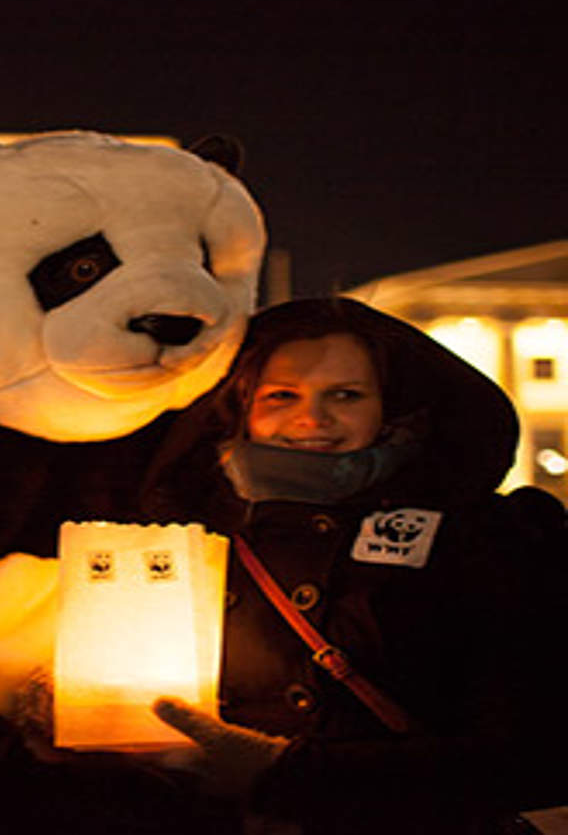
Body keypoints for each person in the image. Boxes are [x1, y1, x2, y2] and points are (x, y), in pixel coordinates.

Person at [140, 297, 567, 834]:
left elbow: (540, 752)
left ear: (388, 406)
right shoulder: (178, 541)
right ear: (239, 405)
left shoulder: (486, 539)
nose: (312, 418)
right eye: (281, 395)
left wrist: (289, 773)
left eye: (345, 395)